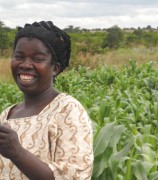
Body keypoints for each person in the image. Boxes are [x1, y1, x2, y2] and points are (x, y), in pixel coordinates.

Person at [0, 21, 93, 180]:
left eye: (37, 58)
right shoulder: (6, 114)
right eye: (19, 56)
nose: (26, 64)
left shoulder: (68, 111)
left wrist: (17, 153)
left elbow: (75, 176)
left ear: (55, 68)